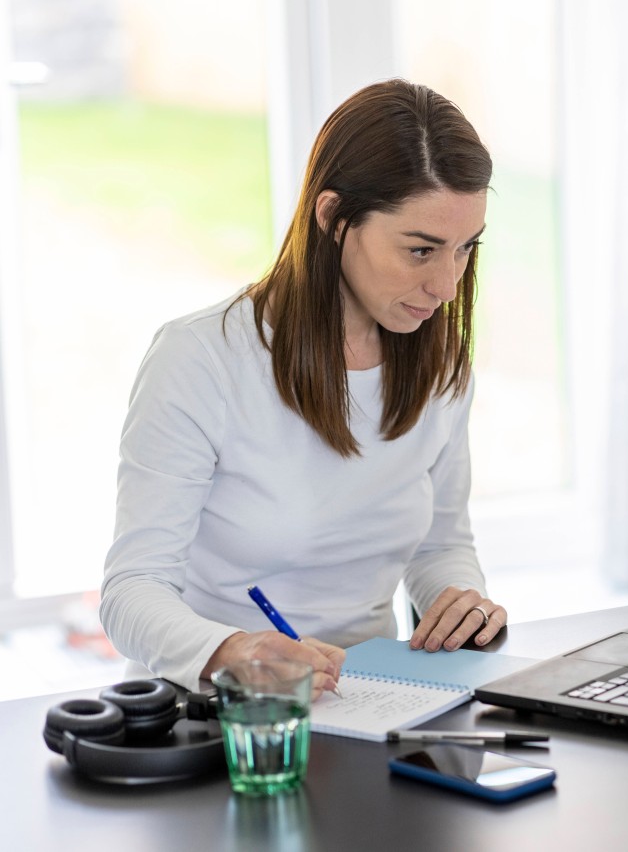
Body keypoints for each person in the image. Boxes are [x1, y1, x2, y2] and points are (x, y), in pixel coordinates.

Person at [100, 79, 506, 695]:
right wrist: (233, 650)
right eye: (421, 251)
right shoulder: (201, 359)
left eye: (465, 250)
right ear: (333, 217)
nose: (448, 286)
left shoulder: (440, 359)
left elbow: (440, 543)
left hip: (374, 700)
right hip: (225, 711)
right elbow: (131, 593)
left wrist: (459, 601)